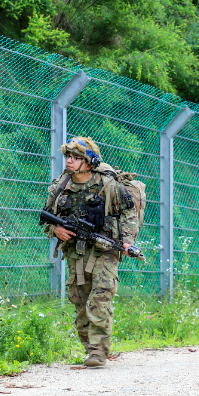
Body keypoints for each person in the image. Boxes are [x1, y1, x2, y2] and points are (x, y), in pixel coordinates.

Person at [41, 137, 139, 367]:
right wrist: (55, 229)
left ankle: (98, 352)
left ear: (89, 162)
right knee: (80, 301)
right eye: (68, 156)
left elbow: (128, 213)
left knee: (100, 297)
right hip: (76, 251)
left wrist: (127, 241)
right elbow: (45, 217)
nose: (70, 161)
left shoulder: (108, 185)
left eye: (76, 158)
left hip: (105, 249)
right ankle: (89, 348)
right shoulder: (59, 187)